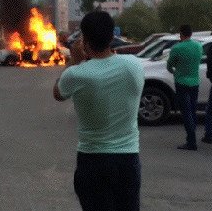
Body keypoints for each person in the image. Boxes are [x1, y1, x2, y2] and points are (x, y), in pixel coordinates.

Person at [53, 11, 144, 211]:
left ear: (84, 39)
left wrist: (73, 62)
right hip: (127, 160)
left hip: (92, 161)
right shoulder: (134, 66)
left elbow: (58, 93)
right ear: (112, 37)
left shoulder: (76, 74)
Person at [167, 24, 203, 151]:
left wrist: (175, 71)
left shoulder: (177, 48)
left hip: (181, 82)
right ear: (191, 34)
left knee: (186, 112)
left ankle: (191, 141)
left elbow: (170, 65)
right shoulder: (198, 46)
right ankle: (192, 138)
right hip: (195, 81)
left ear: (181, 34)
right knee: (192, 110)